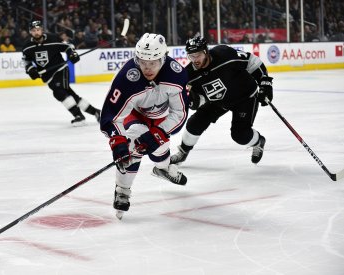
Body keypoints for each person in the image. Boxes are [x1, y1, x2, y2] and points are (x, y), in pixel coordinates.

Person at [100, 33, 190, 219]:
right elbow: (111, 116)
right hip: (134, 115)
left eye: (153, 63)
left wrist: (159, 132)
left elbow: (179, 114)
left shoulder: (176, 75)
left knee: (160, 149)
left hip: (161, 118)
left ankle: (163, 168)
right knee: (133, 144)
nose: (147, 68)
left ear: (163, 59)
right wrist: (117, 140)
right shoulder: (126, 78)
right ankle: (123, 189)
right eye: (143, 62)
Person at [170, 36, 273, 166]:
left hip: (245, 96)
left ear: (206, 52)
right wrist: (194, 101)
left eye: (198, 55)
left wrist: (265, 83)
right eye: (191, 56)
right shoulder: (190, 75)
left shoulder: (224, 54)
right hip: (219, 101)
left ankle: (259, 142)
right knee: (194, 123)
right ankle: (183, 152)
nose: (195, 60)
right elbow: (200, 98)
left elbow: (252, 62)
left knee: (240, 135)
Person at [22, 20, 101, 126]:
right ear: (30, 32)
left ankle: (79, 116)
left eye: (38, 30)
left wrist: (72, 54)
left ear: (42, 30)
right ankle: (96, 112)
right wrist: (31, 69)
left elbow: (68, 46)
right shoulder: (27, 46)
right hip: (47, 76)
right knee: (70, 94)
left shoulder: (52, 38)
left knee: (59, 92)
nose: (36, 32)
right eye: (33, 30)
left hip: (61, 69)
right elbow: (26, 60)